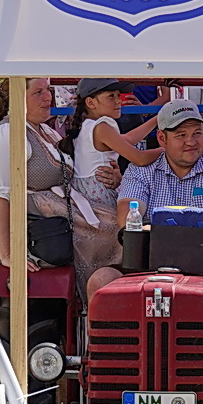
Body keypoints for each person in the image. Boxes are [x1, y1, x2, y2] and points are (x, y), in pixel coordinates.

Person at [88, 99, 203, 354]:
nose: (191, 141)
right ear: (162, 138)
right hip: (148, 267)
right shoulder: (140, 171)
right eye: (181, 135)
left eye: (197, 133)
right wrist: (142, 225)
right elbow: (128, 212)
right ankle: (109, 361)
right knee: (101, 280)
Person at [0, 78, 118, 272]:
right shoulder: (8, 133)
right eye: (38, 92)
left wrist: (114, 177)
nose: (48, 97)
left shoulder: (46, 131)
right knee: (113, 233)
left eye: (48, 90)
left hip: (60, 217)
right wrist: (8, 255)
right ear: (17, 98)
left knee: (122, 228)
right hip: (35, 231)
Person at [61, 78, 164, 299]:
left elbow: (127, 139)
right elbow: (138, 157)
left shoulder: (91, 125)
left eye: (118, 95)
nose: (119, 101)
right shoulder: (101, 126)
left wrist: (157, 119)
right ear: (91, 102)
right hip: (99, 199)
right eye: (111, 96)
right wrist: (169, 149)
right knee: (128, 246)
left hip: (89, 197)